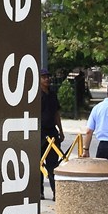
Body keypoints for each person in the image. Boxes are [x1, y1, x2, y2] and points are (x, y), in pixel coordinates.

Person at [39, 69, 65, 199]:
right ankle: (39, 191)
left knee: (53, 163)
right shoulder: (35, 95)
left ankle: (56, 192)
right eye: (44, 77)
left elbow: (56, 113)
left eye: (48, 77)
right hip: (39, 132)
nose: (47, 79)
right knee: (39, 163)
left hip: (52, 132)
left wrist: (60, 130)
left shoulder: (52, 94)